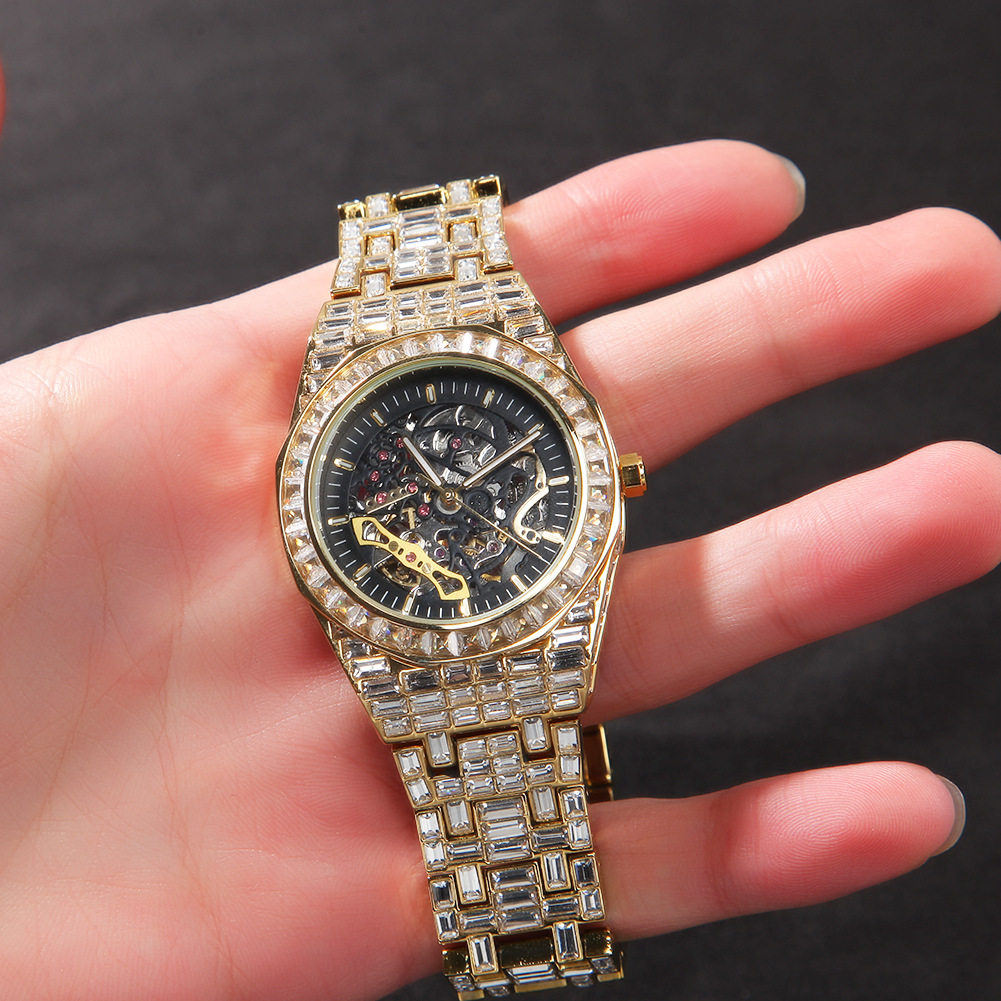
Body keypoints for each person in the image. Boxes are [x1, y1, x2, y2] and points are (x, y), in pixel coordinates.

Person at [1, 138, 998, 1001]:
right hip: (418, 617)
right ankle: (522, 927)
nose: (441, 498)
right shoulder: (350, 493)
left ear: (609, 478)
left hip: (497, 608)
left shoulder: (541, 479)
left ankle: (528, 921)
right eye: (425, 487)